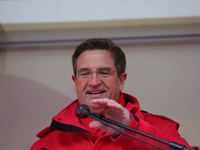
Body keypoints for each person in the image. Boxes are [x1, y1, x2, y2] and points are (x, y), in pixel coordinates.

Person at [31, 38, 194, 150]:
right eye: (85, 73)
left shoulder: (161, 129)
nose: (94, 82)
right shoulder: (46, 144)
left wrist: (131, 130)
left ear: (121, 81)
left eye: (104, 72)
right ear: (75, 82)